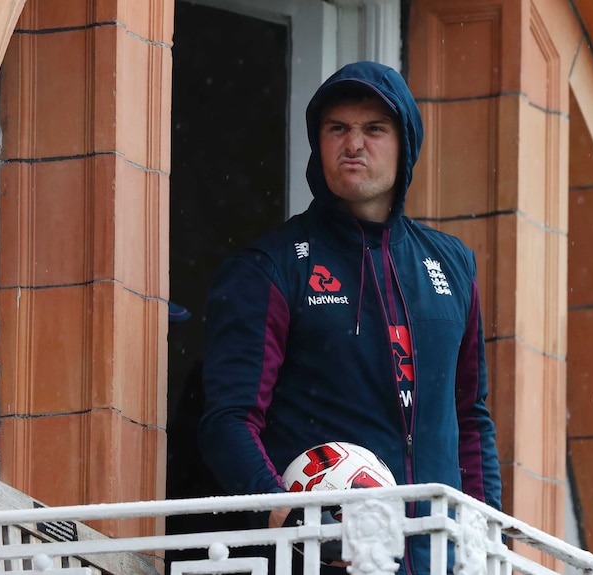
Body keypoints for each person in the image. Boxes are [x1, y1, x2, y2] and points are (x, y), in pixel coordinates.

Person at [197, 61, 502, 574]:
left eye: (374, 129)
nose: (353, 144)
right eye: (338, 129)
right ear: (319, 144)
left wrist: (488, 543)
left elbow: (470, 418)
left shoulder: (452, 264)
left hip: (437, 561)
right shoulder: (270, 267)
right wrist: (287, 516)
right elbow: (228, 421)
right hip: (327, 558)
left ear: (404, 142)